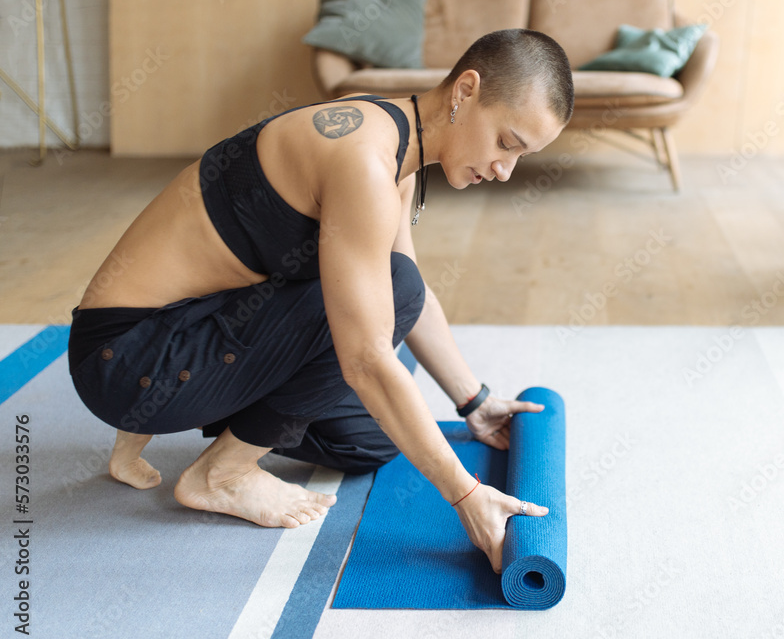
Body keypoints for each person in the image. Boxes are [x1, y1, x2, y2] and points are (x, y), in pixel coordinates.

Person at [67, 29, 574, 574]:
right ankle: (220, 474)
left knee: (373, 440)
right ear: (466, 90)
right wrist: (466, 498)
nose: (505, 171)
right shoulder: (362, 163)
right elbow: (367, 357)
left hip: (180, 328)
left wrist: (474, 403)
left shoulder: (393, 144)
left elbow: (412, 298)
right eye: (507, 143)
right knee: (387, 304)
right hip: (127, 357)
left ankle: (154, 425)